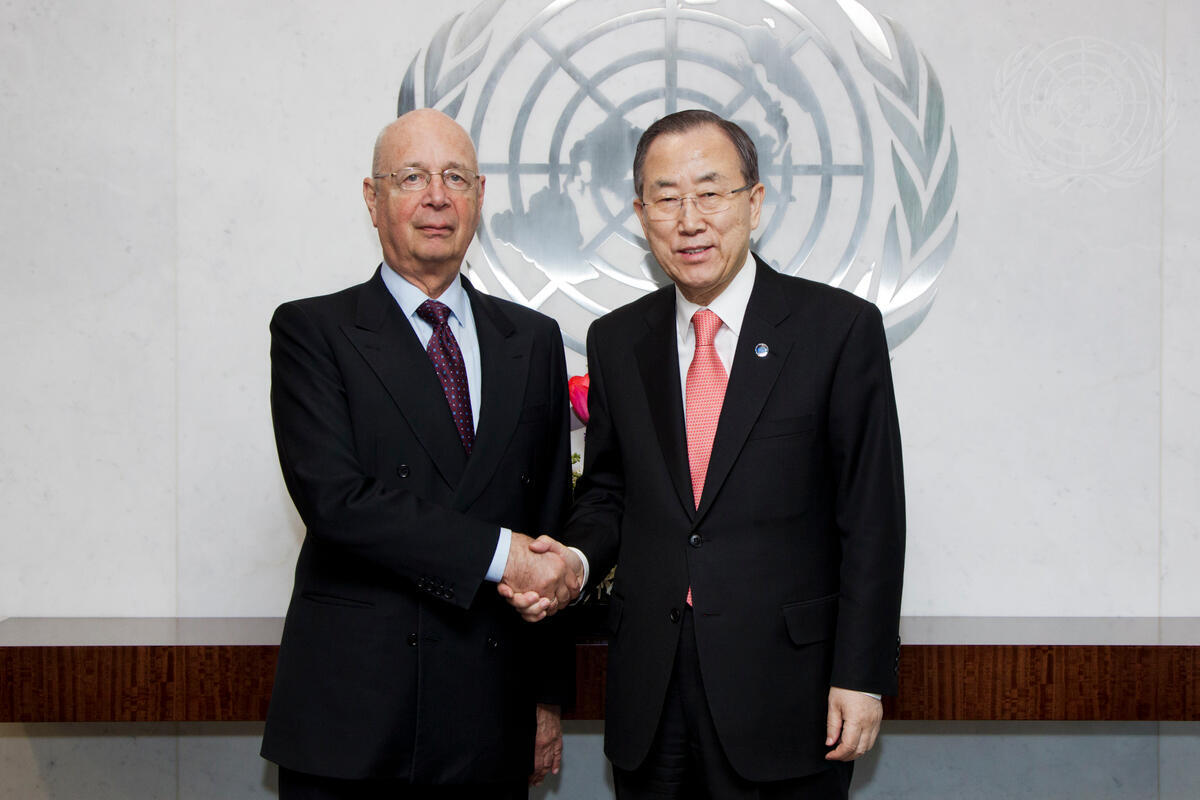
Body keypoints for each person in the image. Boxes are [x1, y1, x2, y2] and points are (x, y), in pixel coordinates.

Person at [508, 109, 905, 798]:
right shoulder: (617, 340)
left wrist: (861, 675)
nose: (689, 220)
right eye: (666, 199)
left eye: (711, 192)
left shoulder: (838, 330)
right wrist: (573, 560)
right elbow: (608, 491)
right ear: (641, 215)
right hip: (651, 687)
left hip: (789, 688)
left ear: (754, 202)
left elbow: (872, 517)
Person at [261, 108, 580, 799]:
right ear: (372, 199)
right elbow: (338, 503)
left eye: (455, 177)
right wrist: (502, 555)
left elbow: (551, 516)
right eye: (412, 177)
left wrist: (546, 698)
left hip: (492, 714)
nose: (437, 196)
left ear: (480, 197)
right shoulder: (313, 331)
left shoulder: (532, 340)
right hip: (357, 717)